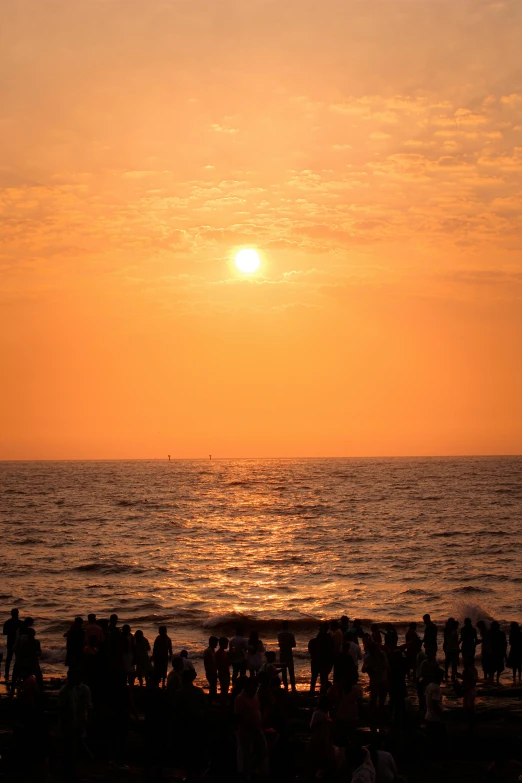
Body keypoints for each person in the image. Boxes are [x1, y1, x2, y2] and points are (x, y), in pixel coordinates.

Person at [234, 677, 267, 781]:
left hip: (257, 729)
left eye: (256, 688)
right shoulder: (240, 699)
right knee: (246, 755)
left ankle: (252, 769)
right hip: (246, 731)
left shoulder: (255, 696)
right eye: (253, 687)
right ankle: (246, 775)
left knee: (262, 752)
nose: (255, 690)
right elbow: (237, 717)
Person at [362, 641, 388, 714]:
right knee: (374, 698)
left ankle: (379, 712)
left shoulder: (382, 654)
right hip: (375, 681)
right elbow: (363, 669)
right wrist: (370, 668)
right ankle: (375, 713)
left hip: (381, 680)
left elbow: (386, 666)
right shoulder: (369, 657)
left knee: (381, 699)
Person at [424, 668, 445, 743]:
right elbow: (434, 703)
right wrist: (441, 715)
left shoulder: (429, 686)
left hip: (428, 716)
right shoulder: (436, 688)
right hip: (435, 718)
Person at [3, 608, 22, 683]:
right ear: (18, 614)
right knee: (18, 659)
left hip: (10, 642)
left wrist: (11, 632)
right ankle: (18, 673)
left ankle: (6, 673)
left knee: (9, 659)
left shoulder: (7, 622)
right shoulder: (21, 623)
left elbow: (4, 633)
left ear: (11, 614)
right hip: (18, 643)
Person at [277, 620, 296, 692]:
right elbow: (294, 644)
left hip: (282, 654)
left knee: (283, 671)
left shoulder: (279, 634)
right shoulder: (291, 634)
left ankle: (286, 687)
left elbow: (279, 644)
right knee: (291, 671)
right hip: (289, 653)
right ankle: (293, 687)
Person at [316, 622, 334, 693]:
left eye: (320, 628)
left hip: (323, 659)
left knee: (323, 675)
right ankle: (323, 689)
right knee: (324, 675)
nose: (319, 629)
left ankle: (323, 690)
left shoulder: (322, 636)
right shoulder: (328, 637)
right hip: (325, 659)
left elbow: (318, 648)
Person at [490, 621, 507, 685]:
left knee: (493, 667)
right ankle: (496, 679)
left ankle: (493, 679)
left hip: (494, 651)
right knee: (498, 666)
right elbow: (505, 643)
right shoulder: (501, 633)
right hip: (499, 651)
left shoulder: (491, 633)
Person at [443, 617, 460, 682]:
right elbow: (453, 640)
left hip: (449, 647)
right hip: (452, 648)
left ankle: (447, 674)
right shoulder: (452, 630)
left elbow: (446, 640)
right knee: (453, 662)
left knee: (448, 661)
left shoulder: (447, 630)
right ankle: (452, 674)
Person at [203, 635, 219, 700]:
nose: (216, 644)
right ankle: (211, 700)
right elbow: (209, 663)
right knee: (213, 687)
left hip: (213, 671)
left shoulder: (212, 650)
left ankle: (212, 700)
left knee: (213, 687)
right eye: (215, 643)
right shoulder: (208, 651)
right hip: (210, 672)